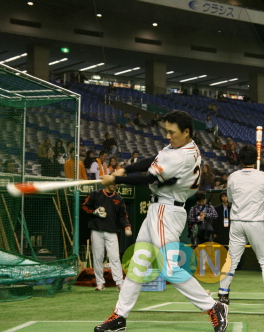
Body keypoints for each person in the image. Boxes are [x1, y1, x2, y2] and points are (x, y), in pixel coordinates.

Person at [95, 110, 228, 332]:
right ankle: (120, 316)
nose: (168, 136)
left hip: (166, 210)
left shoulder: (182, 156)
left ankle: (214, 307)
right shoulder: (179, 147)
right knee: (138, 265)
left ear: (186, 132)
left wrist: (116, 178)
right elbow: (153, 160)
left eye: (172, 132)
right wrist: (125, 168)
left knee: (169, 269)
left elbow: (149, 177)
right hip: (158, 210)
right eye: (166, 131)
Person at [218, 145, 264, 308]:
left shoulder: (232, 177)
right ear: (256, 158)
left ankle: (223, 295)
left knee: (231, 260)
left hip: (237, 222)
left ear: (239, 159)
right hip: (255, 223)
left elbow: (230, 198)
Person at [82, 184, 132, 291]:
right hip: (96, 230)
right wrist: (94, 212)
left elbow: (123, 215)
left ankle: (119, 283)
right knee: (98, 257)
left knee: (115, 257)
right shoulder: (95, 194)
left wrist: (127, 226)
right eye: (113, 183)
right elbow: (85, 206)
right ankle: (100, 283)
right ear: (106, 183)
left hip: (112, 231)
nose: (115, 186)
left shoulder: (119, 198)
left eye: (116, 184)